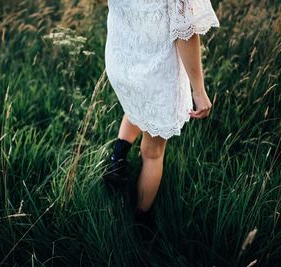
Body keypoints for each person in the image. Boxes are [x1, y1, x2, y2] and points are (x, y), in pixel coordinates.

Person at [102, 0, 220, 232]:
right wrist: (199, 90)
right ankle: (141, 220)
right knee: (153, 154)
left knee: (137, 107)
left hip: (121, 62)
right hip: (155, 73)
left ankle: (117, 161)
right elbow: (185, 33)